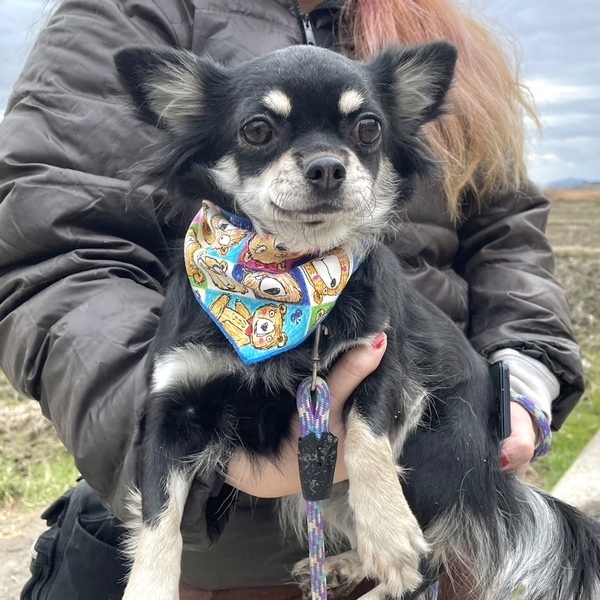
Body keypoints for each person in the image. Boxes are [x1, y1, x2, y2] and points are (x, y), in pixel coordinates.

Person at [0, 0, 584, 599]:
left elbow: (506, 235)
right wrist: (206, 441)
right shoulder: (138, 11)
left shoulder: (438, 24)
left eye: (364, 132)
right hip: (220, 570)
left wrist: (525, 372)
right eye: (261, 131)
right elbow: (52, 256)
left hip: (429, 522)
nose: (326, 165)